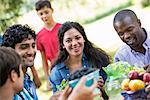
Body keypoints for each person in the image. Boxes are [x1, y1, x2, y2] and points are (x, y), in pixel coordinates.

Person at [49, 21, 110, 99]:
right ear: (63, 45)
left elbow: (112, 90)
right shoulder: (57, 73)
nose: (74, 43)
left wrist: (102, 87)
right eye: (68, 40)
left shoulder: (98, 59)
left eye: (77, 38)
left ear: (84, 38)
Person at [1, 24, 38, 100]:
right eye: (24, 47)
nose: (31, 52)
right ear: (10, 51)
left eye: (33, 46)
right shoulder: (8, 86)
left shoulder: (27, 80)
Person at [35, 0, 62, 90]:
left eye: (46, 12)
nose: (44, 16)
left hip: (69, 65)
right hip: (55, 71)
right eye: (41, 14)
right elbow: (44, 60)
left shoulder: (62, 28)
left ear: (52, 10)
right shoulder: (39, 36)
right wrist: (47, 79)